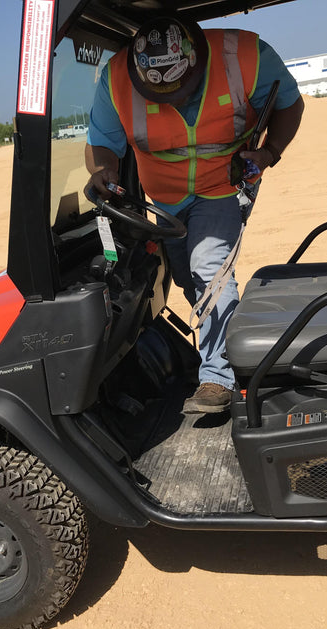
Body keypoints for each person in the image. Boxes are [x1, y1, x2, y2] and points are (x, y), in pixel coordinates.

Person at [85, 16, 304, 413]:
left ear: (197, 61)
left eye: (180, 90)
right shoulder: (115, 80)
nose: (173, 101)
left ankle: (218, 378)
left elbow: (290, 104)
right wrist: (105, 172)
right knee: (185, 277)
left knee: (210, 268)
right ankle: (222, 341)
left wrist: (270, 153)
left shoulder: (247, 57)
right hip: (163, 200)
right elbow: (101, 142)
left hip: (222, 187)